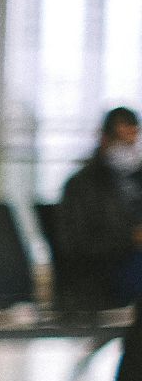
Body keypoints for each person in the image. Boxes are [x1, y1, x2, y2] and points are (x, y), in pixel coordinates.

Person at [55, 106, 142, 311]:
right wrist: (131, 238)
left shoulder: (137, 178)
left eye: (133, 141)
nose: (129, 148)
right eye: (123, 142)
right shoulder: (82, 185)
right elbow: (77, 245)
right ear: (104, 138)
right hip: (106, 270)